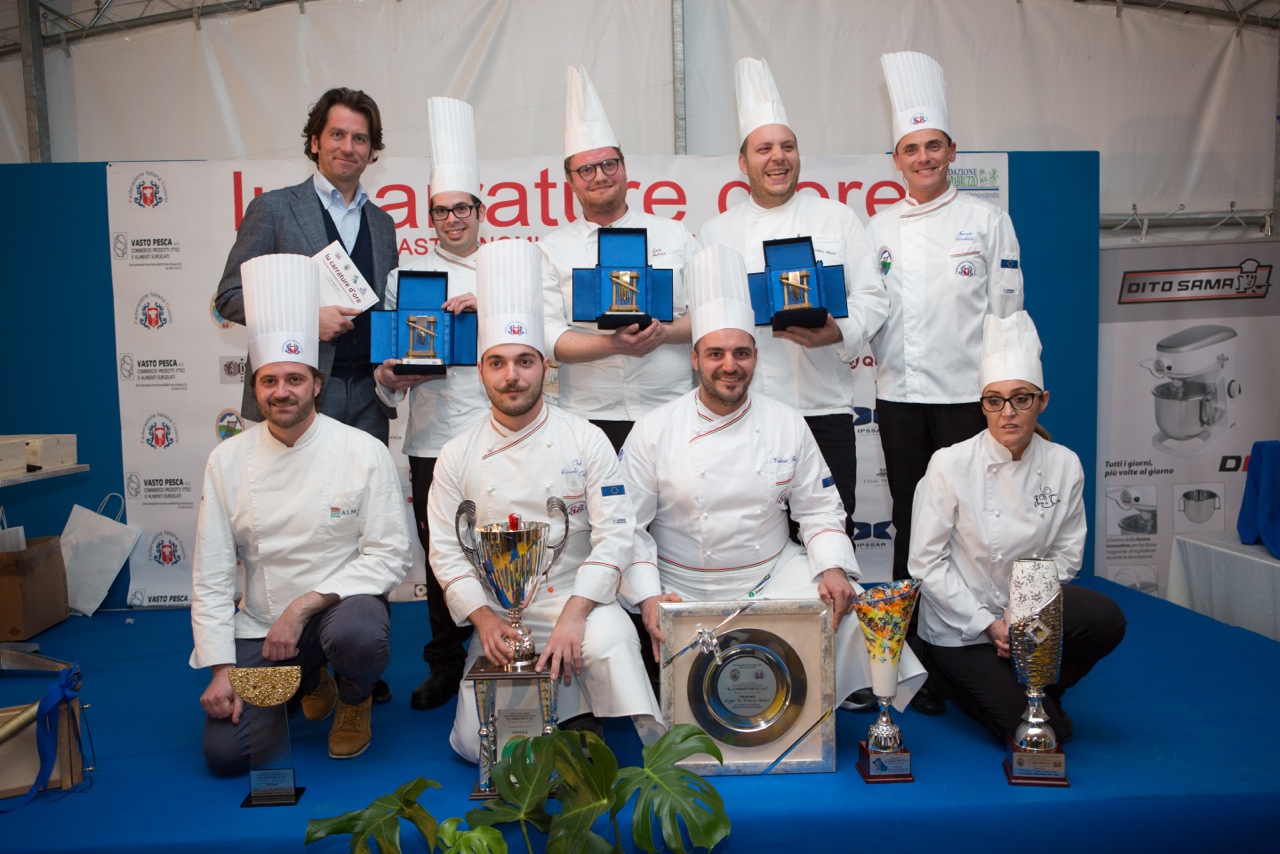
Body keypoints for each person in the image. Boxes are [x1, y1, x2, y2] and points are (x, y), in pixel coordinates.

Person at [619, 243, 925, 710]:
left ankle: (853, 693)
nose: (729, 366)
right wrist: (648, 597)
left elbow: (819, 508)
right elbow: (629, 527)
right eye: (716, 353)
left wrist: (832, 567)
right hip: (682, 584)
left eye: (741, 353)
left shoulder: (787, 422)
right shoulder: (654, 429)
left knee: (858, 609)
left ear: (756, 357)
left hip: (770, 573)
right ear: (695, 359)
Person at [427, 239, 663, 762]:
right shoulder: (456, 454)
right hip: (500, 612)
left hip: (578, 597)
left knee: (610, 643)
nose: (512, 376)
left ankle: (580, 710)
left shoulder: (585, 438)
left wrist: (576, 613)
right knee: (475, 748)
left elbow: (616, 534)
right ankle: (571, 713)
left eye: (524, 361)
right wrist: (484, 621)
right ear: (482, 371)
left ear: (545, 367)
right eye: (497, 363)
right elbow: (444, 551)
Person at [191, 254, 411, 774]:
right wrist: (221, 668)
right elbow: (212, 574)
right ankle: (311, 678)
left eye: (294, 379)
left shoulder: (361, 450)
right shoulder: (227, 460)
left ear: (317, 384)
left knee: (358, 634)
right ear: (255, 389)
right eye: (269, 381)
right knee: (228, 756)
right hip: (264, 626)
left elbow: (390, 555)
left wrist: (303, 607)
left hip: (338, 610)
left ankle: (354, 695)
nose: (281, 392)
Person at [908, 311, 1125, 744]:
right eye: (995, 400)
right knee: (1048, 735)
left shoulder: (1064, 464)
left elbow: (1067, 554)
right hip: (962, 627)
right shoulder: (950, 464)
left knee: (1106, 620)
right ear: (983, 405)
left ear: (1042, 401)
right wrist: (989, 623)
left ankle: (1040, 686)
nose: (1007, 413)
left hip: (1028, 614)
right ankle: (943, 674)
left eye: (1021, 399)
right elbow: (925, 564)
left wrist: (1022, 613)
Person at [699, 57, 890, 541]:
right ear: (743, 162)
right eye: (764, 148)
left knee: (827, 535)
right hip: (746, 412)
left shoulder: (837, 217)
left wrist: (838, 331)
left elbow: (873, 297)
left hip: (824, 409)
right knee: (750, 535)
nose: (777, 158)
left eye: (787, 146)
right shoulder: (717, 232)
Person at [870, 52, 1025, 587]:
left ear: (952, 151)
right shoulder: (877, 228)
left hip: (967, 395)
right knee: (910, 513)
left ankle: (978, 614)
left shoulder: (988, 221)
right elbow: (866, 308)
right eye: (911, 149)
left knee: (974, 513)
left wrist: (1006, 395)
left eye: (933, 146)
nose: (924, 158)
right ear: (896, 159)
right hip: (900, 396)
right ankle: (909, 624)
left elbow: (1007, 315)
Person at [375, 97, 488, 711]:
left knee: (501, 541)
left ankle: (502, 643)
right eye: (440, 211)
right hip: (431, 438)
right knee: (441, 549)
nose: (451, 220)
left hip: (498, 432)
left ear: (480, 209)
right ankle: (445, 660)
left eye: (461, 208)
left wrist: (487, 307)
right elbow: (391, 367)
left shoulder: (508, 266)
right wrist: (390, 376)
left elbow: (538, 344)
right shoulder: (406, 277)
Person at [215, 87, 399, 444]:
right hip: (296, 396)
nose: (348, 147)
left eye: (360, 138)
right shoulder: (274, 209)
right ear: (315, 142)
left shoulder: (382, 224)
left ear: (371, 151)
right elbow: (230, 297)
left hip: (370, 400)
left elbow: (386, 309)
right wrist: (305, 319)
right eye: (337, 134)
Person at [539, 66, 699, 452]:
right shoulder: (552, 248)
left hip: (671, 410)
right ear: (570, 181)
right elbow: (549, 335)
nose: (600, 176)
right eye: (586, 169)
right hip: (588, 418)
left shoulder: (674, 235)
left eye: (609, 164)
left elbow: (709, 311)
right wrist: (614, 345)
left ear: (625, 168)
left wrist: (665, 333)